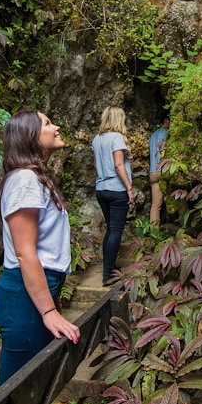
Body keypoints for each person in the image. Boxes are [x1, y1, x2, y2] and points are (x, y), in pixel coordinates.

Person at [0, 110, 80, 386]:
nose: (56, 127)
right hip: (24, 296)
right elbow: (25, 252)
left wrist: (50, 305)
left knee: (33, 386)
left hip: (33, 293)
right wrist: (48, 311)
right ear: (30, 136)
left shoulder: (33, 178)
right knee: (18, 390)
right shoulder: (25, 180)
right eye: (47, 123)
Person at [92, 106, 134, 286]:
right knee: (116, 230)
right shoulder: (117, 138)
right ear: (119, 119)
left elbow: (96, 165)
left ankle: (109, 266)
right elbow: (119, 165)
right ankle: (108, 274)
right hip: (116, 189)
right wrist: (129, 188)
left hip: (101, 189)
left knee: (111, 229)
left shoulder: (96, 139)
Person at [148, 115, 170, 225]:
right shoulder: (166, 134)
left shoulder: (152, 135)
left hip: (153, 171)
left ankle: (154, 234)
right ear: (166, 121)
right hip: (164, 170)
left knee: (156, 205)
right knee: (177, 200)